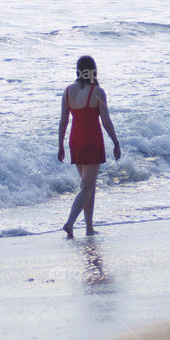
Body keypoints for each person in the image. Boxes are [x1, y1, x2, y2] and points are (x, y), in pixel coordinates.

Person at [58, 55, 121, 238]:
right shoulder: (97, 92)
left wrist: (60, 145)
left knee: (89, 186)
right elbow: (106, 122)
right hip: (92, 140)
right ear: (93, 70)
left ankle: (89, 228)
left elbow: (63, 122)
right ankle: (70, 223)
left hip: (75, 141)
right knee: (87, 188)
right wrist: (116, 142)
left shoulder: (68, 92)